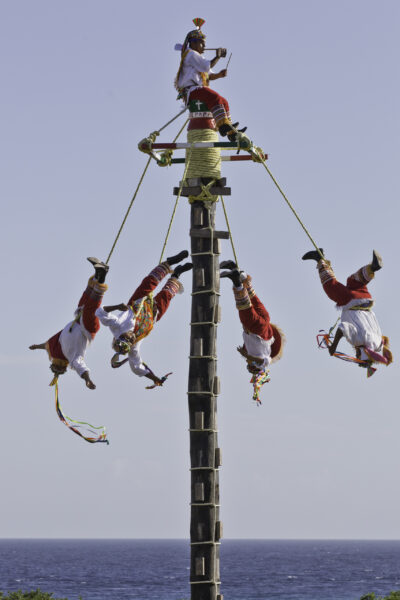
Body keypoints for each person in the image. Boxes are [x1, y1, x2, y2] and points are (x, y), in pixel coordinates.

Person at [96, 250, 193, 386]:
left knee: (150, 282)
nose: (131, 337)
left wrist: (117, 306)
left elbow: (100, 312)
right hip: (152, 316)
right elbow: (137, 367)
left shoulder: (117, 326)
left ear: (121, 337)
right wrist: (155, 379)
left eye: (127, 337)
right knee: (166, 297)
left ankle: (170, 262)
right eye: (130, 341)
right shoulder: (133, 346)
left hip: (138, 303)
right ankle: (177, 273)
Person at [302, 248, 392, 372]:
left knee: (354, 281)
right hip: (350, 301)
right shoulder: (358, 341)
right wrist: (333, 346)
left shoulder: (377, 343)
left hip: (365, 299)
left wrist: (368, 362)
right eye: (357, 357)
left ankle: (371, 268)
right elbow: (342, 328)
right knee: (330, 287)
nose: (355, 355)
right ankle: (319, 258)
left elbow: (379, 350)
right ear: (362, 354)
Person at [29, 258, 109, 388]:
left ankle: (97, 274)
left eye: (54, 366)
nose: (56, 364)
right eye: (58, 367)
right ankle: (103, 276)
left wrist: (37, 346)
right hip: (87, 328)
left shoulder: (57, 347)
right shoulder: (72, 358)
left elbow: (47, 345)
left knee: (84, 300)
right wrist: (87, 380)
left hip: (79, 318)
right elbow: (81, 368)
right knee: (91, 306)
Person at [220, 260, 284, 402]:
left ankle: (235, 269)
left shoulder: (252, 352)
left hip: (264, 322)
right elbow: (261, 360)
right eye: (252, 369)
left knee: (252, 296)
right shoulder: (264, 361)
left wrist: (246, 355)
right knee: (244, 305)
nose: (249, 367)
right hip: (257, 328)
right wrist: (247, 356)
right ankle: (236, 279)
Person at [174, 20, 247, 142]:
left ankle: (230, 130)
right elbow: (206, 67)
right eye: (202, 44)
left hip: (198, 89)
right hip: (192, 90)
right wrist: (217, 56)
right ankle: (223, 125)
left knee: (223, 101)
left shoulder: (196, 56)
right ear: (194, 44)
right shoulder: (191, 54)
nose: (205, 47)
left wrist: (219, 75)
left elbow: (208, 75)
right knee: (215, 98)